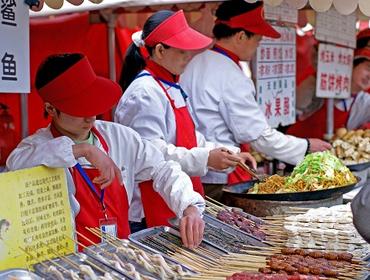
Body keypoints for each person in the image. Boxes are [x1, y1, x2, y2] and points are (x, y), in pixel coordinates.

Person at [6, 53, 205, 249]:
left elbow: (163, 169)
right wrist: (83, 150)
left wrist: (189, 206)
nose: (90, 117)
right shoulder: (37, 145)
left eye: (92, 104)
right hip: (72, 261)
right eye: (79, 108)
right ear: (50, 109)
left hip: (122, 254)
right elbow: (16, 164)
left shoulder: (119, 137)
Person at [115, 10, 257, 225]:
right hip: (150, 206)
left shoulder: (170, 85)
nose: (189, 57)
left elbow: (190, 137)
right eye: (182, 51)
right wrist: (206, 158)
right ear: (161, 50)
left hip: (178, 198)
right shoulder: (144, 93)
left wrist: (228, 153)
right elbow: (152, 156)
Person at [180, 0, 331, 191]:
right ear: (241, 36)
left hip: (196, 167)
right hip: (218, 176)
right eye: (257, 40)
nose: (258, 46)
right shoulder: (231, 75)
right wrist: (307, 146)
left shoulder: (196, 62)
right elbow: (258, 136)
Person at [287, 47, 370, 138]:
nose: (369, 76)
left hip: (326, 151)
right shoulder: (322, 83)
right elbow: (294, 107)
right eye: (368, 69)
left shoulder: (365, 102)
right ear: (353, 65)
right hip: (295, 144)